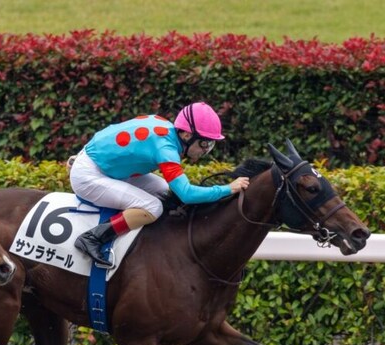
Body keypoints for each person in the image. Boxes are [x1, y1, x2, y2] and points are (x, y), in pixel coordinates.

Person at [69, 102, 250, 268]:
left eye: (210, 145)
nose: (206, 151)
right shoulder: (166, 149)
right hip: (89, 175)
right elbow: (187, 194)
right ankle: (93, 238)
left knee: (163, 190)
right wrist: (228, 188)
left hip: (102, 165)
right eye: (204, 143)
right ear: (187, 135)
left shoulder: (166, 129)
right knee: (153, 207)